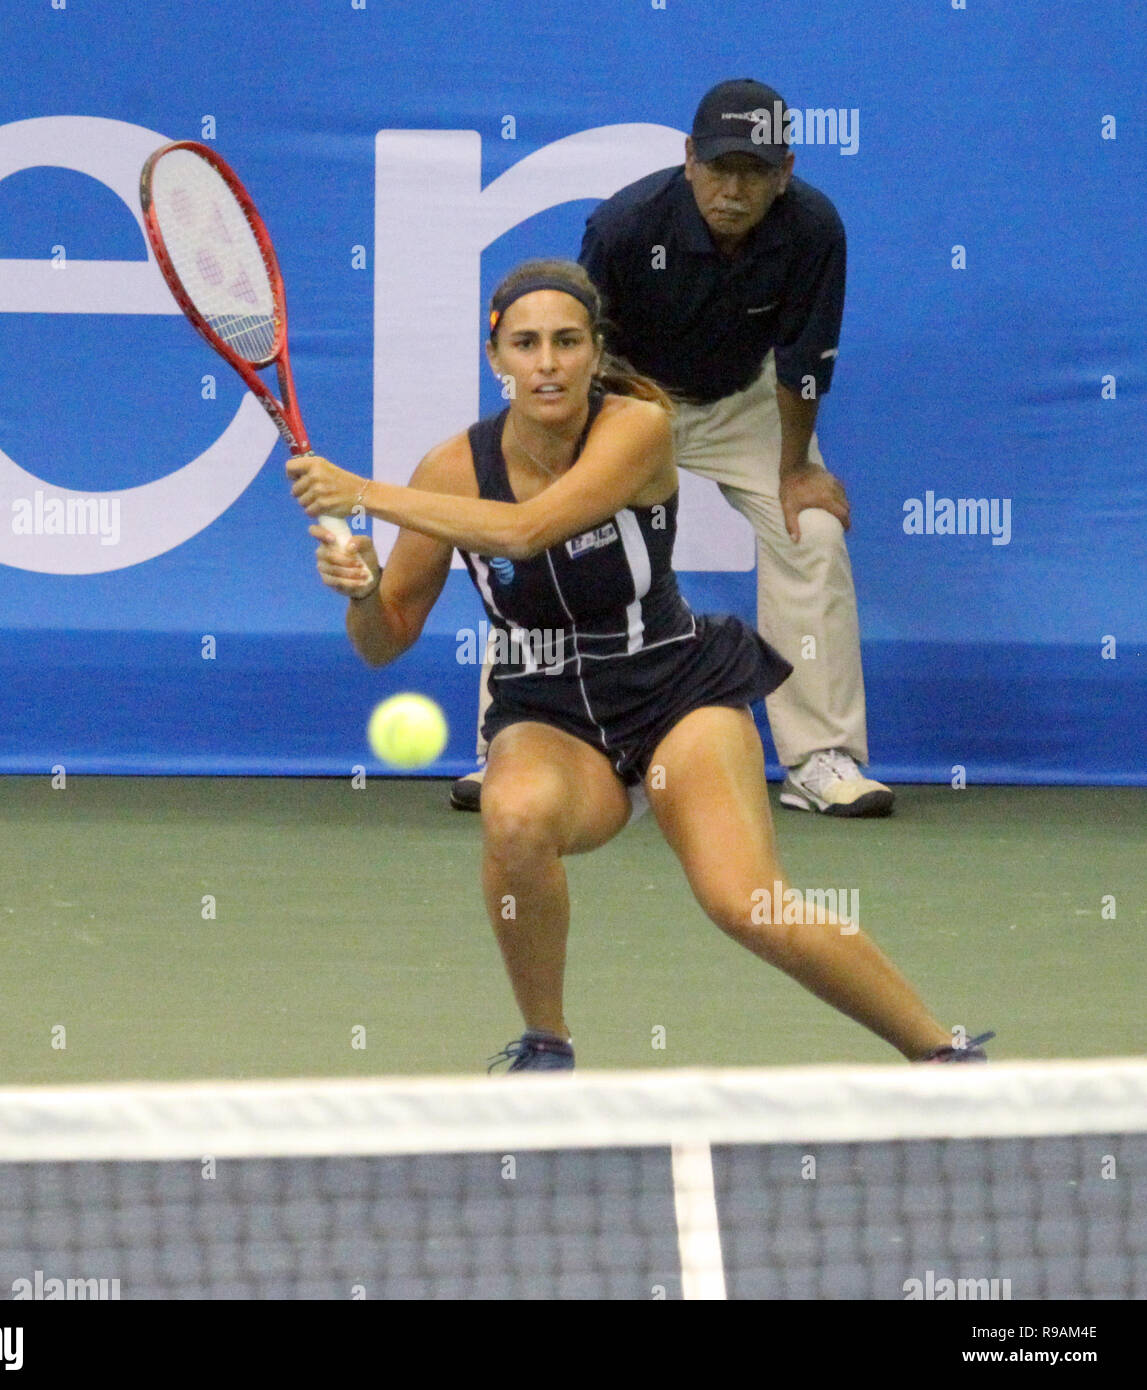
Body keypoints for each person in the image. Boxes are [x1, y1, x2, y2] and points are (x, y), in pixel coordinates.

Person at [289, 259, 989, 1071]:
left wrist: (361, 492)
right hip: (547, 713)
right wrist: (364, 590)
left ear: (594, 352)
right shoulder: (451, 471)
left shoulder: (635, 429)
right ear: (496, 358)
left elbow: (528, 531)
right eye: (525, 344)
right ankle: (546, 1046)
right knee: (513, 821)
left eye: (565, 341)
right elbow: (383, 642)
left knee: (745, 903)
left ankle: (941, 1054)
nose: (546, 362)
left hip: (673, 693)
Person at [451, 79, 893, 819]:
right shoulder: (625, 225)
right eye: (719, 167)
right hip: (626, 396)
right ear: (688, 159)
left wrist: (793, 473)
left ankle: (819, 758)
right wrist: (581, 454)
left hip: (744, 400)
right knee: (548, 534)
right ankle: (510, 744)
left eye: (754, 172)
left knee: (810, 532)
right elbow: (588, 346)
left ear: (783, 173)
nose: (732, 188)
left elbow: (804, 361)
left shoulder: (814, 228)